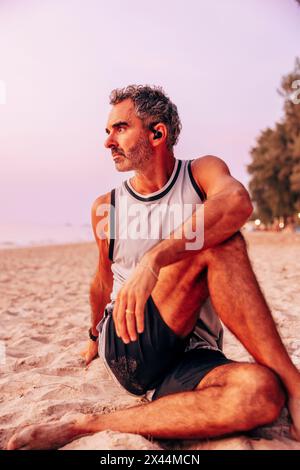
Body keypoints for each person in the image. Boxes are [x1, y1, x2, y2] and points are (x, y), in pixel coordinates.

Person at [7, 85, 300, 450]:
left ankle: (85, 426)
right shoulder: (107, 207)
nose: (108, 142)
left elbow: (237, 201)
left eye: (120, 128)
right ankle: (297, 385)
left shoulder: (201, 174)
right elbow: (102, 278)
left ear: (157, 133)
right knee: (219, 244)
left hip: (192, 355)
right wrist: (93, 337)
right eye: (108, 131)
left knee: (261, 393)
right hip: (129, 342)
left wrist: (155, 258)